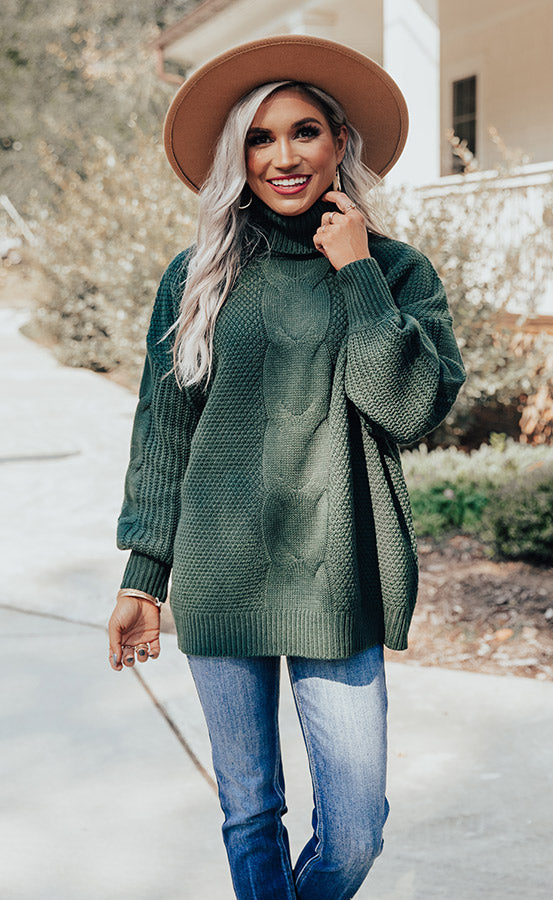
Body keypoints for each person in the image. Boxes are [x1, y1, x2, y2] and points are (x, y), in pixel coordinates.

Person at [107, 35, 466, 900]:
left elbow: (408, 407)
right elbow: (164, 431)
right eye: (259, 139)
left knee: (355, 831)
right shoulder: (197, 276)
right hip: (219, 569)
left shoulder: (396, 272)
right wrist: (143, 576)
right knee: (249, 812)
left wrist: (357, 273)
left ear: (340, 141)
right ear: (238, 158)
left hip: (337, 574)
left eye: (304, 131)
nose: (283, 157)